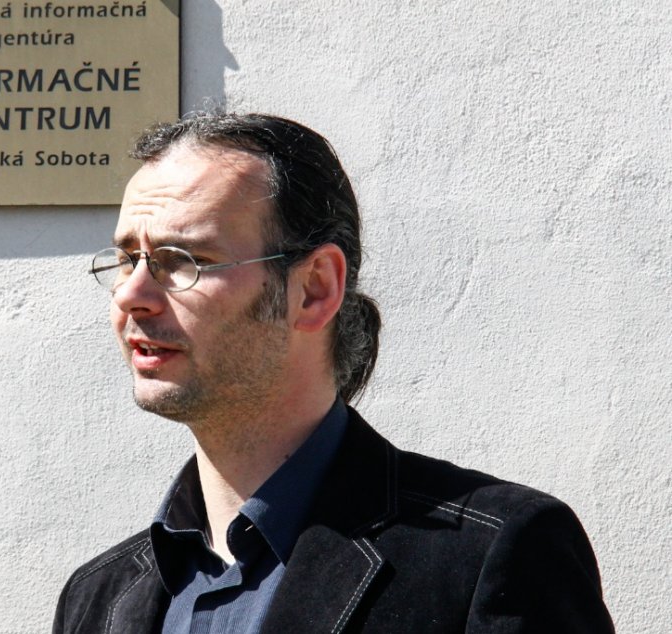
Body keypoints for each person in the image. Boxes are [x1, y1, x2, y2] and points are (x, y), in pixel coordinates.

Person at [54, 113, 613, 633]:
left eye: (182, 260)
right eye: (127, 259)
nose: (131, 295)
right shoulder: (97, 597)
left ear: (315, 288)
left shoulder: (492, 553)